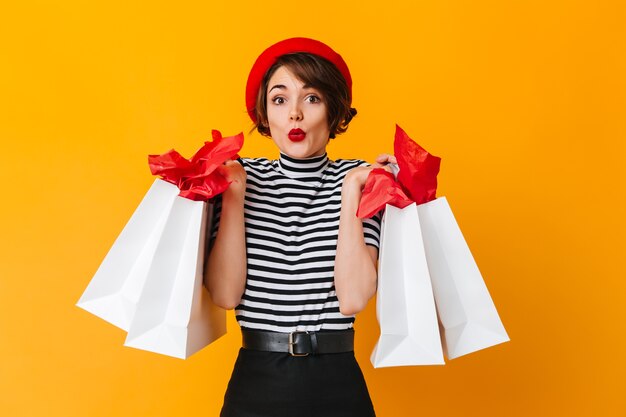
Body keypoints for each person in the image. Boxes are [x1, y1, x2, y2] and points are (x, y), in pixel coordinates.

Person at [205, 37, 394, 417]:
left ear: (334, 112)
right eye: (279, 99)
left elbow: (353, 298)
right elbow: (225, 295)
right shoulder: (236, 176)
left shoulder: (360, 179)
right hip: (256, 382)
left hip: (337, 384)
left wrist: (349, 196)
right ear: (264, 114)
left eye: (311, 98)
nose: (295, 113)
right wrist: (234, 196)